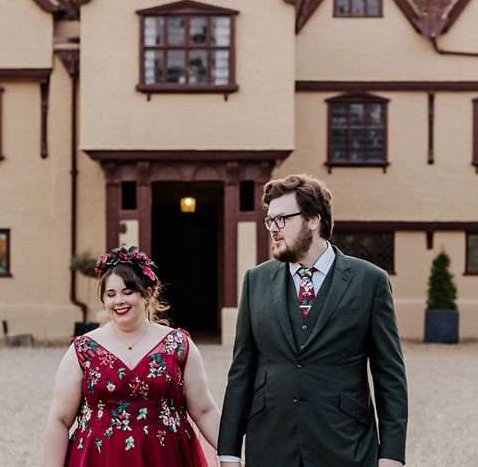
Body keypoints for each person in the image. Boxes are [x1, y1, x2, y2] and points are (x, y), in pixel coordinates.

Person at [218, 174, 408, 467]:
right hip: (271, 444)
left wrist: (392, 455)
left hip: (346, 445)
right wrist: (228, 450)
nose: (274, 230)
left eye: (282, 219)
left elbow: (389, 375)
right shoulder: (255, 280)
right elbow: (242, 370)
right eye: (270, 221)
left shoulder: (370, 281)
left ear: (313, 220)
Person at [44, 246, 221, 467]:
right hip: (99, 458)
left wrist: (231, 454)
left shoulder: (178, 344)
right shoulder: (84, 349)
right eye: (111, 294)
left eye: (128, 292)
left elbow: (204, 410)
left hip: (165, 458)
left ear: (147, 294)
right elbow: (60, 420)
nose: (119, 301)